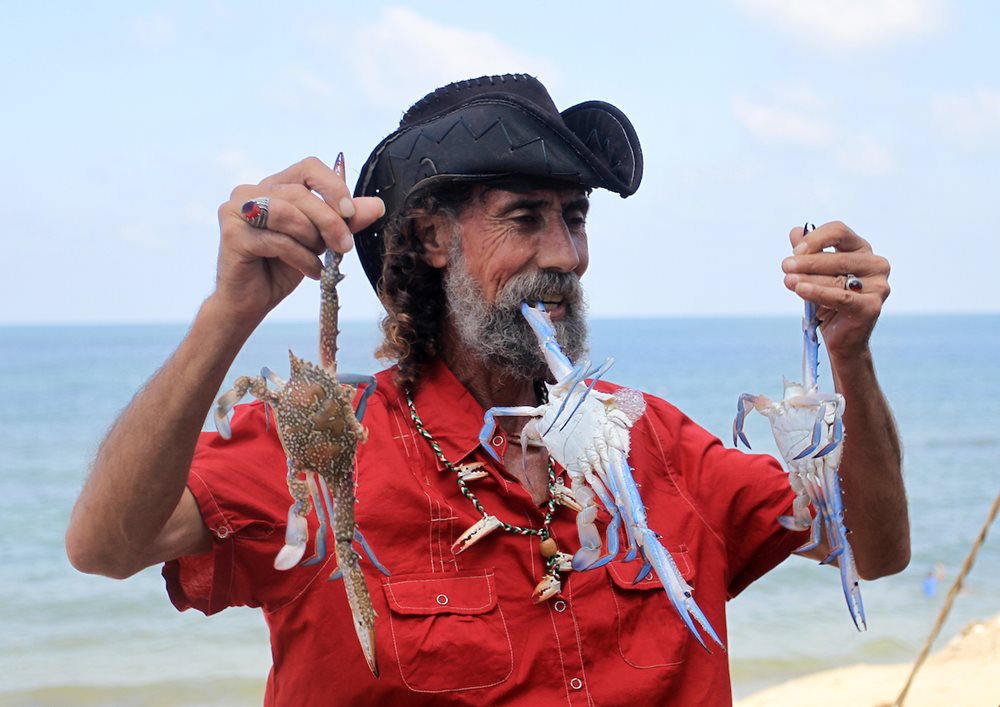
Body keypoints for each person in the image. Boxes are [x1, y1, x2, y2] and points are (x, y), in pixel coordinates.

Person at [66, 74, 909, 705]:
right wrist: (228, 315)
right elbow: (106, 545)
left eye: (574, 217)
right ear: (430, 236)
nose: (566, 254)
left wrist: (851, 360)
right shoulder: (326, 452)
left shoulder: (653, 442)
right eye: (525, 218)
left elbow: (872, 546)